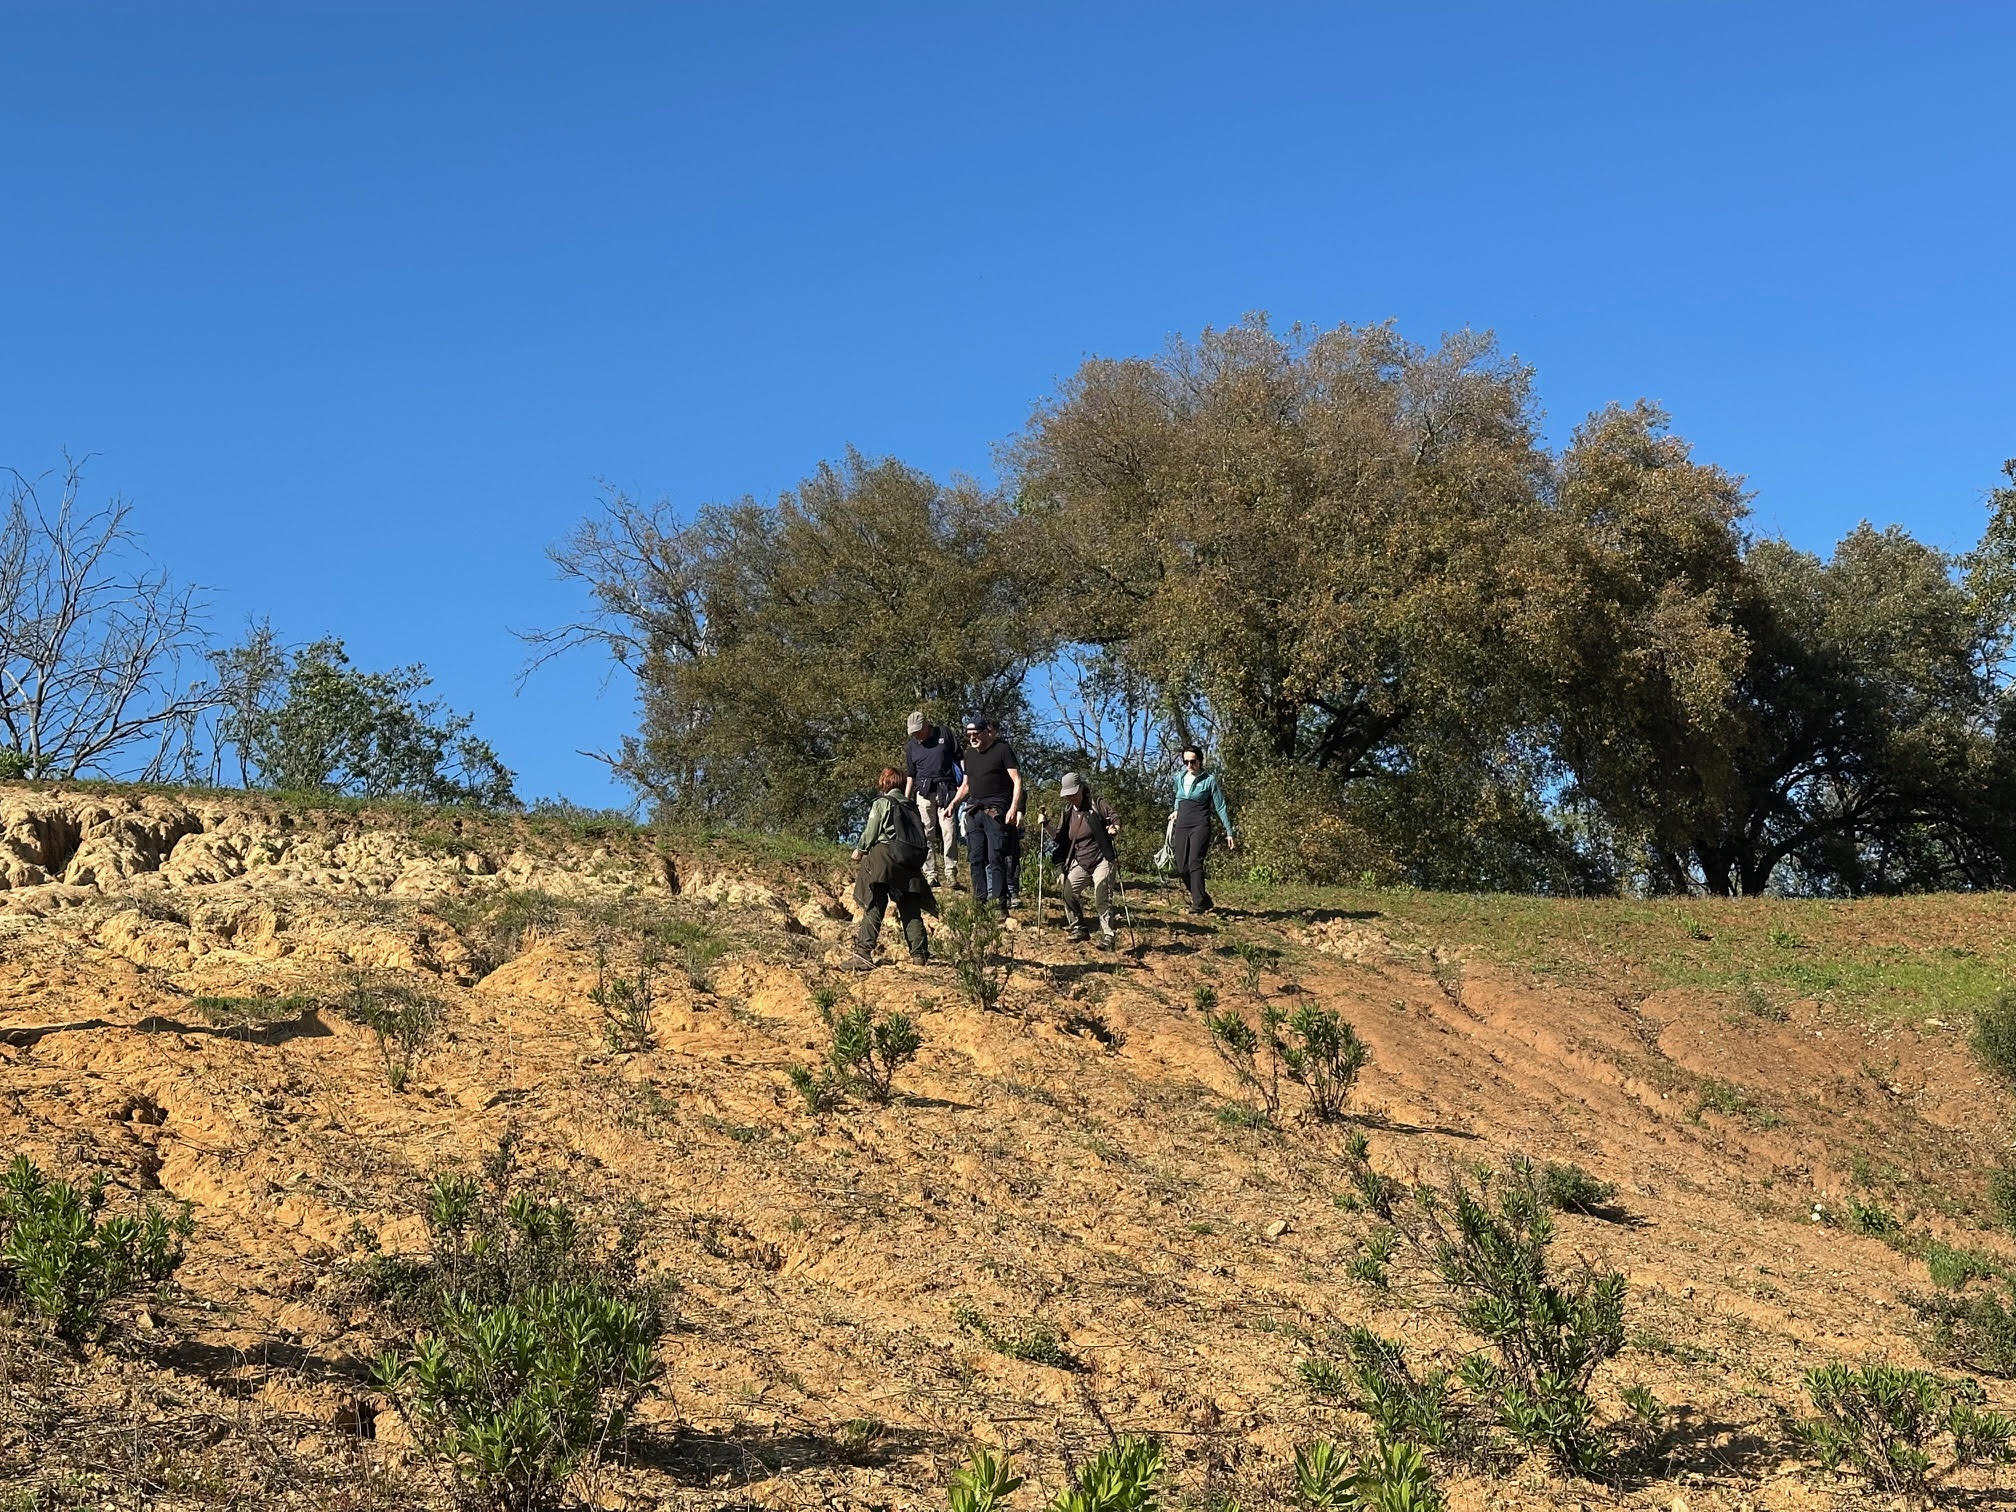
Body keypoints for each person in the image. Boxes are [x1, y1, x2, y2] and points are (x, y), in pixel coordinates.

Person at [844, 766, 935, 969]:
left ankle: (863, 954)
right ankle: (919, 956)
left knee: (875, 903)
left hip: (885, 859)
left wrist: (859, 851)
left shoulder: (883, 803)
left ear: (884, 783)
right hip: (909, 863)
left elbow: (871, 831)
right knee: (910, 908)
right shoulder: (912, 807)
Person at [947, 714, 1022, 917]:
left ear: (986, 732)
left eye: (976, 733)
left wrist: (1014, 808)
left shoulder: (1002, 750)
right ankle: (979, 905)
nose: (972, 738)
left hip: (996, 810)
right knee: (976, 857)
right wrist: (954, 803)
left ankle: (999, 905)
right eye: (969, 734)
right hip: (974, 810)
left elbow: (1017, 780)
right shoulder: (969, 755)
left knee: (995, 856)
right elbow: (966, 784)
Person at [1048, 771, 1120, 949]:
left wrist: (1114, 828)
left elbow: (1115, 817)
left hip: (1101, 858)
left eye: (1073, 793)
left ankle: (1108, 936)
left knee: (1101, 896)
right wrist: (1046, 825)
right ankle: (1078, 927)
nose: (1071, 797)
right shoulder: (1067, 813)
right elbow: (1059, 837)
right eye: (1068, 794)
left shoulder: (1096, 803)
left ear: (1081, 788)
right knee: (1068, 891)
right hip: (1080, 860)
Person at [1168, 745, 1235, 914]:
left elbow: (1220, 806)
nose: (1189, 765)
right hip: (1182, 823)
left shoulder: (1209, 780)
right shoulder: (1179, 778)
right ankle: (1203, 898)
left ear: (1200, 761)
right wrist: (1176, 811)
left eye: (1193, 761)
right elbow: (1178, 797)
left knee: (1194, 862)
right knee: (1182, 866)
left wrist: (1229, 831)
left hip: (1200, 824)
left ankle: (1198, 904)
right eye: (1186, 762)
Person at [903, 710, 960, 888]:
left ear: (926, 725)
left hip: (946, 790)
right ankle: (930, 874)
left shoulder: (944, 733)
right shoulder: (912, 746)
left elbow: (960, 758)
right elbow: (911, 775)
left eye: (918, 731)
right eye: (913, 732)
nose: (916, 735)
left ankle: (951, 873)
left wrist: (964, 783)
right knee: (926, 832)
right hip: (924, 792)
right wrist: (905, 799)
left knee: (948, 832)